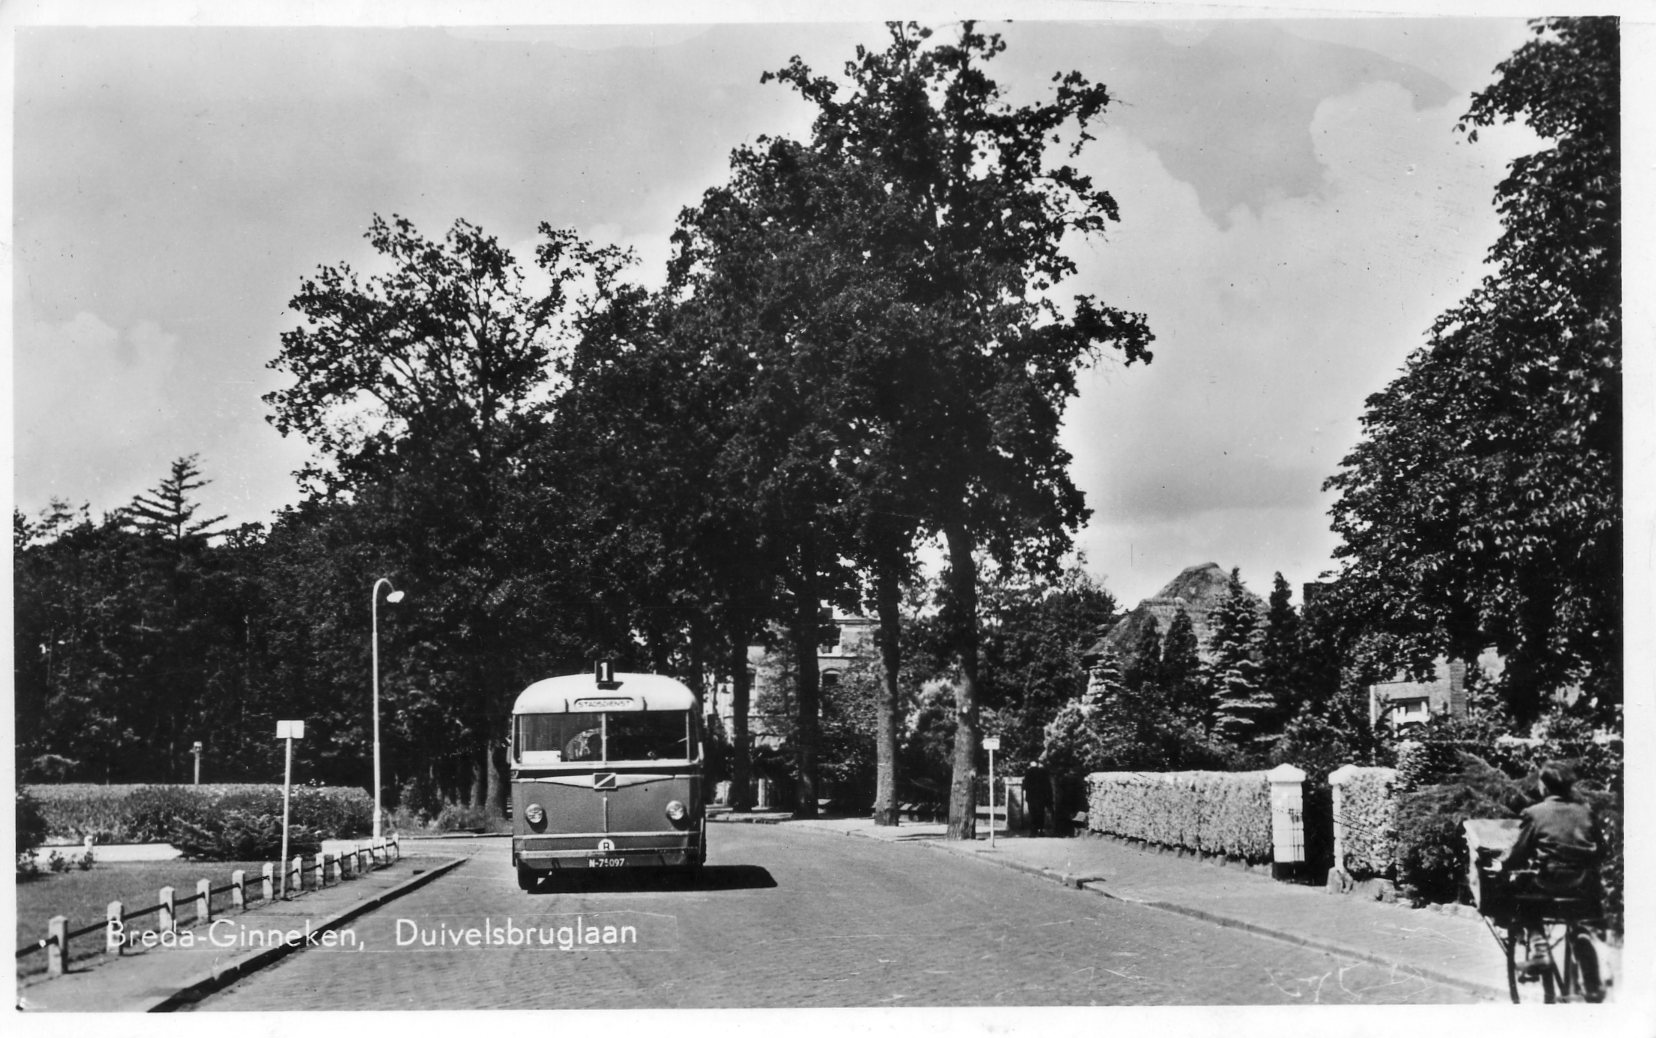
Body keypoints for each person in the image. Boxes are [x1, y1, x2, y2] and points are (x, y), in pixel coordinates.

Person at [1497, 760, 1602, 991]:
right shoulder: (1586, 812)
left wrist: (1502, 866)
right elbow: (1601, 852)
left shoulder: (1536, 813)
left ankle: (1539, 948)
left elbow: (1518, 854)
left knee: (1521, 898)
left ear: (1544, 786)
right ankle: (1583, 948)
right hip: (1585, 886)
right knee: (1576, 917)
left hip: (1550, 884)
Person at [1023, 761, 1050, 837]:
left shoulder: (1028, 772)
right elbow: (1047, 785)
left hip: (1031, 797)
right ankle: (1041, 830)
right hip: (1041, 796)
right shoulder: (1043, 772)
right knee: (1041, 813)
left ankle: (1033, 831)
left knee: (1032, 814)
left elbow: (1025, 785)